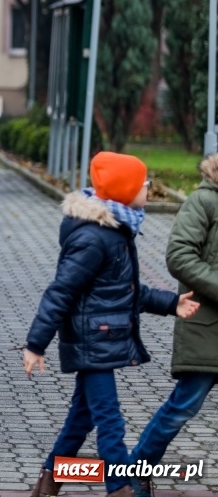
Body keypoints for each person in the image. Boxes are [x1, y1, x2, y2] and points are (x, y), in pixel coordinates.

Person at [23, 152, 200, 497]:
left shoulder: (117, 229)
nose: (149, 188)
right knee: (110, 420)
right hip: (93, 340)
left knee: (82, 418)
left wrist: (171, 304)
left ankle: (49, 481)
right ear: (123, 191)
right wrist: (35, 345)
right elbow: (60, 292)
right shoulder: (94, 238)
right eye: (143, 183)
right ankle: (120, 488)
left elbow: (126, 291)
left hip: (100, 338)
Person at [127, 154, 218, 497]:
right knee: (184, 406)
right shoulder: (204, 201)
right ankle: (138, 468)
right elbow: (179, 256)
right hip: (207, 328)